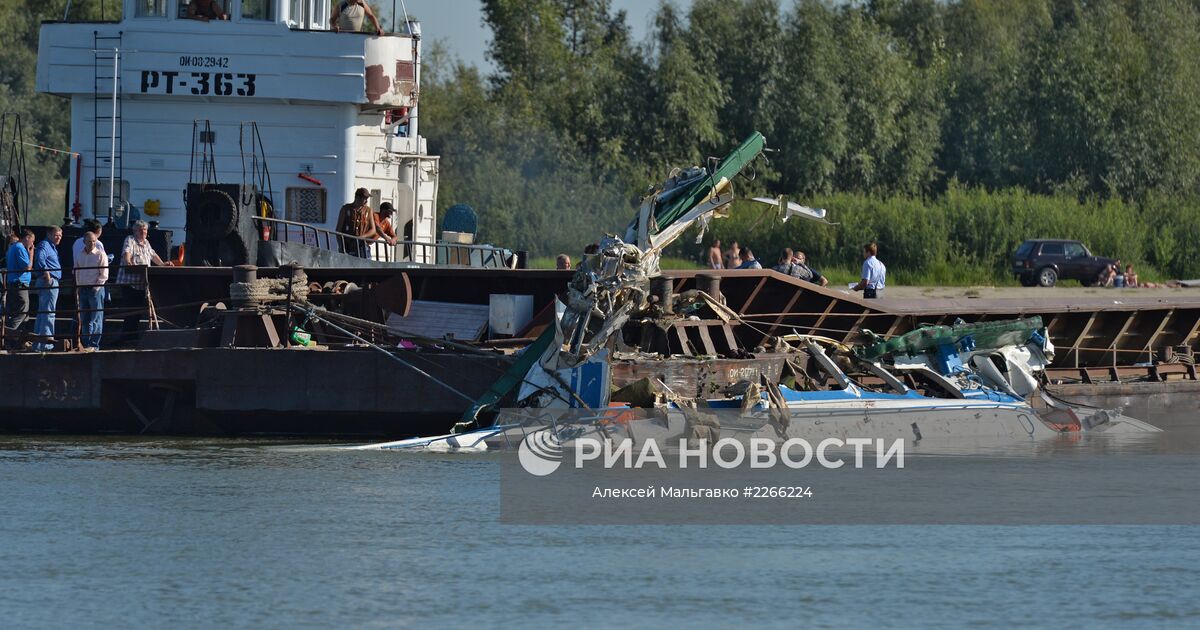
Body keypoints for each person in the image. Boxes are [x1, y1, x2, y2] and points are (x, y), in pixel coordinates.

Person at [117, 220, 172, 343]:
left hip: (142, 284)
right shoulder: (130, 240)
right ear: (135, 231)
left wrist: (162, 264)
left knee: (138, 312)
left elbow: (153, 255)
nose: (143, 233)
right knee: (131, 311)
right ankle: (126, 337)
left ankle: (133, 336)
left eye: (145, 230)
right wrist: (128, 262)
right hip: (130, 284)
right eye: (141, 230)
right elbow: (127, 252)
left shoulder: (146, 243)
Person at [74, 231, 108, 350]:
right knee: (84, 318)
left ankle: (94, 345)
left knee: (96, 318)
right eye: (89, 241)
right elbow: (77, 271)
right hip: (83, 288)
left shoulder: (100, 254)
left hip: (95, 289)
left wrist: (96, 287)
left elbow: (104, 274)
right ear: (84, 242)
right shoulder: (80, 254)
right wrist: (78, 286)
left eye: (94, 241)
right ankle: (86, 343)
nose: (92, 243)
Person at [32, 226, 63, 352]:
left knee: (43, 312)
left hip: (50, 282)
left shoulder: (51, 247)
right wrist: (46, 272)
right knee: (49, 312)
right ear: (49, 234)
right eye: (56, 235)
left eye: (60, 235)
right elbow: (39, 258)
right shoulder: (45, 245)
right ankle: (46, 344)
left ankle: (38, 344)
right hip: (49, 282)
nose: (59, 237)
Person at [5, 229, 35, 348]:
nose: (32, 244)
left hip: (13, 283)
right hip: (19, 284)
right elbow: (27, 267)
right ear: (27, 238)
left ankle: (19, 341)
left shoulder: (12, 247)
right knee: (22, 312)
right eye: (32, 241)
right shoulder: (19, 248)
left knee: (23, 313)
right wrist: (31, 254)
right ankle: (7, 335)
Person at [336, 188, 378, 257]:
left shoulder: (368, 210)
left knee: (365, 264)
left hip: (362, 246)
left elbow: (373, 230)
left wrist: (362, 236)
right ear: (357, 197)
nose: (366, 201)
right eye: (365, 198)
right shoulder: (345, 209)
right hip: (348, 246)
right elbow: (338, 230)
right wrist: (341, 247)